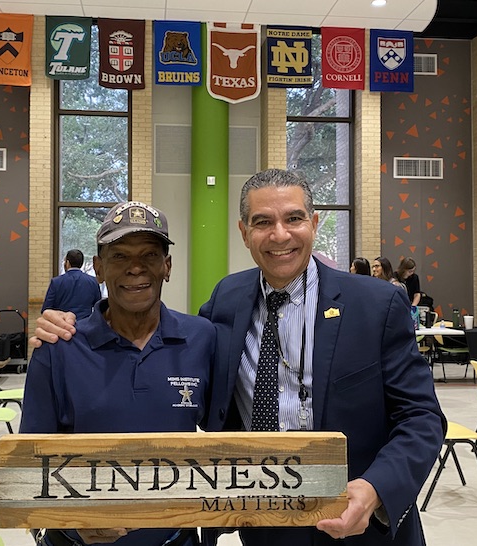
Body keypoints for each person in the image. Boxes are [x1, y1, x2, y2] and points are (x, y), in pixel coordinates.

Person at [34, 170, 446, 546]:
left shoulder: (375, 304)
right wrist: (63, 327)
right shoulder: (225, 302)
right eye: (263, 222)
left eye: (294, 219)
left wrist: (375, 489)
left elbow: (422, 418)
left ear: (315, 224)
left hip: (359, 527)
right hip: (262, 528)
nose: (280, 235)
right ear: (244, 231)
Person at [21, 201, 214, 546]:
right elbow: (29, 463)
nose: (135, 268)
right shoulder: (58, 346)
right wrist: (71, 521)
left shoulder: (201, 338)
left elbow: (233, 439)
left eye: (150, 255)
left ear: (167, 266)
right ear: (98, 268)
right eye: (120, 256)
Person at [41, 249, 101, 321]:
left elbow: (46, 310)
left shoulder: (56, 282)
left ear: (67, 263)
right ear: (81, 263)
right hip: (85, 325)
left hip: (62, 326)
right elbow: (99, 307)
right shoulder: (93, 281)